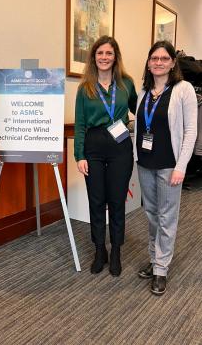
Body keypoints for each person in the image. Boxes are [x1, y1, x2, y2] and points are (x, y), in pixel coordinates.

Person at [134, 40, 197, 295]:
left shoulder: (184, 89)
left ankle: (161, 268)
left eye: (164, 58)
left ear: (172, 63)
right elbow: (141, 126)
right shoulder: (144, 92)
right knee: (151, 213)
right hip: (145, 163)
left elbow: (191, 131)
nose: (158, 62)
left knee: (166, 216)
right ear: (148, 63)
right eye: (154, 58)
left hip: (170, 165)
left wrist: (182, 166)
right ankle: (154, 257)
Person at [74, 36, 137, 276]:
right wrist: (80, 155)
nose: (104, 57)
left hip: (120, 147)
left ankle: (117, 250)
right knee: (97, 201)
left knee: (117, 201)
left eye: (109, 53)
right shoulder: (85, 88)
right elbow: (80, 124)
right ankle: (100, 249)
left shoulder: (126, 84)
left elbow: (136, 107)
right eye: (100, 53)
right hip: (94, 147)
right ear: (93, 57)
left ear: (115, 57)